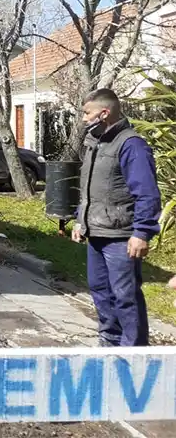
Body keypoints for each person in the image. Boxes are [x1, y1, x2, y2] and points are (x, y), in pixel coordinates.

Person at [72, 88, 161, 347]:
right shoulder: (96, 143)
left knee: (125, 296)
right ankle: (109, 349)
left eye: (87, 113)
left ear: (104, 112)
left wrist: (141, 232)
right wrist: (81, 220)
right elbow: (92, 189)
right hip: (97, 233)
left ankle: (134, 353)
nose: (84, 119)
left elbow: (146, 192)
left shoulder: (131, 145)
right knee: (102, 294)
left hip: (121, 238)